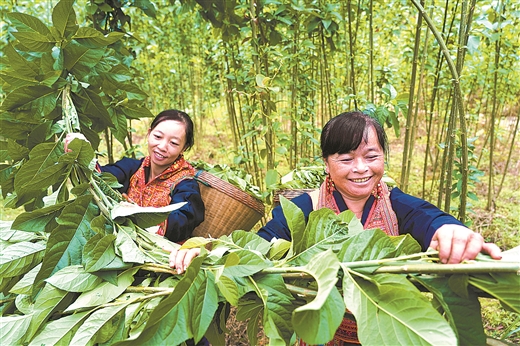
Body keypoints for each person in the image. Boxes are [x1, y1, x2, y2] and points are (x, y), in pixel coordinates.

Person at [257, 110, 503, 345]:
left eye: (372, 156)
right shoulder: (305, 208)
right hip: (321, 334)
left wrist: (451, 231)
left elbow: (428, 218)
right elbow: (264, 245)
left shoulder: (396, 205)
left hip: (386, 332)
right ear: (326, 163)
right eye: (346, 159)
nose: (361, 168)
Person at [65, 109, 205, 244]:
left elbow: (184, 219)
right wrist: (84, 153)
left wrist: (140, 215)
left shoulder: (185, 184)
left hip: (159, 255)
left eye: (173, 143)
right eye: (157, 136)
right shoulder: (133, 167)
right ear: (149, 133)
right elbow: (102, 178)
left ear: (184, 147)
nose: (162, 146)